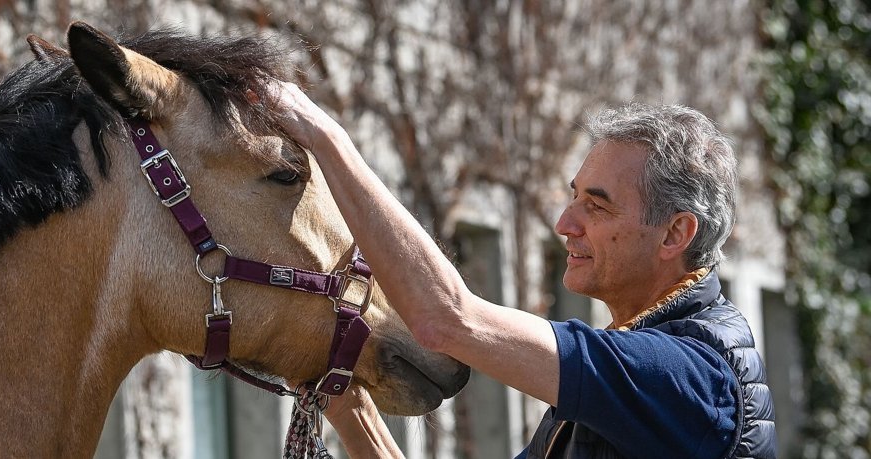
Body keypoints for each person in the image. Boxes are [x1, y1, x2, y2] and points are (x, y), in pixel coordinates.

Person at [269, 82, 776, 459]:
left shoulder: (688, 376)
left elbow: (447, 318)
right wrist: (338, 392)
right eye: (573, 196)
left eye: (597, 208)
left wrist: (326, 137)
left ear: (674, 234)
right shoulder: (637, 373)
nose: (564, 223)